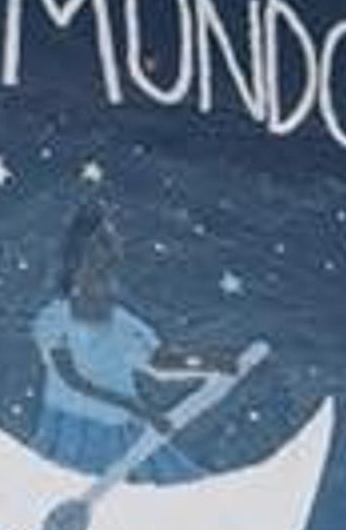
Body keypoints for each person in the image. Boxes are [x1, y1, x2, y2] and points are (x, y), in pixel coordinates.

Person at [28, 204, 224, 476]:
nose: (112, 250)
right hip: (72, 433)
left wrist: (208, 362)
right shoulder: (54, 319)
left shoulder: (124, 323)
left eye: (110, 243)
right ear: (80, 253)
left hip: (123, 433)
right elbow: (72, 379)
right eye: (102, 242)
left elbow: (159, 361)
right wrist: (137, 408)